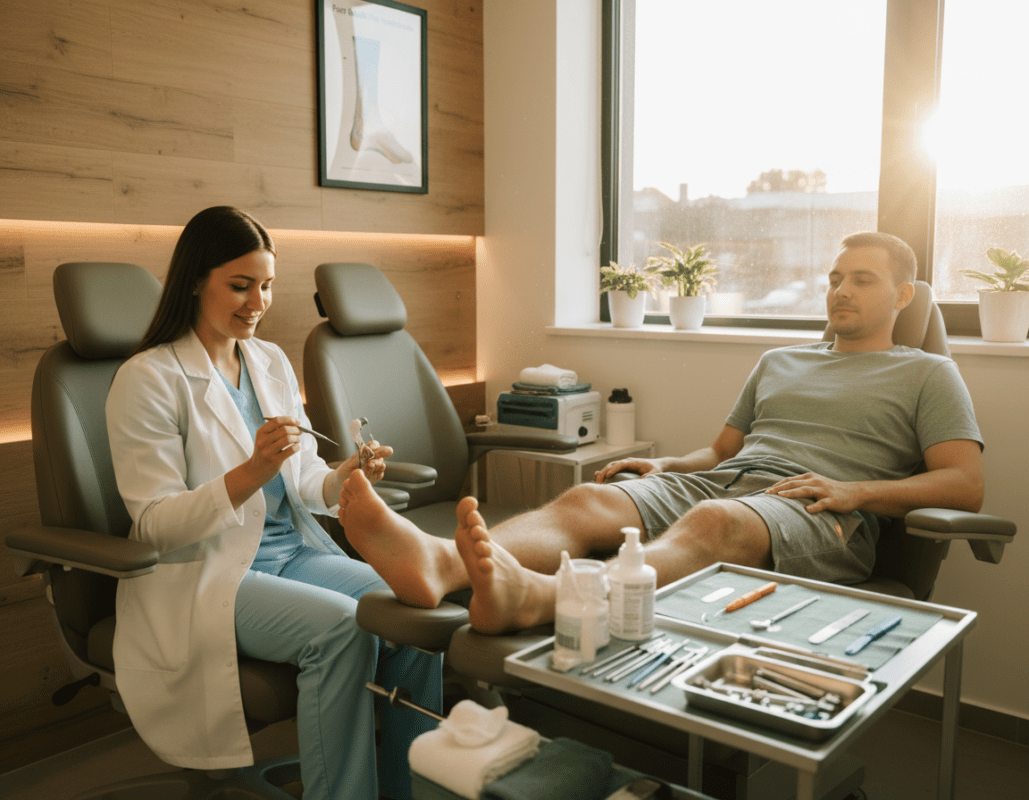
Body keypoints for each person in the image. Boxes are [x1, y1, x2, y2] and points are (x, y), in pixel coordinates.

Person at [336, 231, 985, 635]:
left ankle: (536, 599)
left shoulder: (926, 373)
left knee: (713, 521)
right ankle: (437, 562)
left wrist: (856, 492)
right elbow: (722, 452)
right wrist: (667, 465)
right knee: (585, 500)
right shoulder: (778, 360)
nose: (839, 291)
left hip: (817, 510)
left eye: (860, 280)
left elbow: (965, 483)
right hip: (727, 483)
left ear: (903, 296)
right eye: (833, 280)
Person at [105, 206, 439, 800]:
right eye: (240, 285)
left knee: (414, 610)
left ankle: (408, 789)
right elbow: (154, 525)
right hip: (208, 574)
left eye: (266, 285)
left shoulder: (269, 361)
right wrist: (253, 471)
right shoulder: (148, 378)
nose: (257, 302)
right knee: (342, 630)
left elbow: (304, 475)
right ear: (193, 280)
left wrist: (345, 479)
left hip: (293, 555)